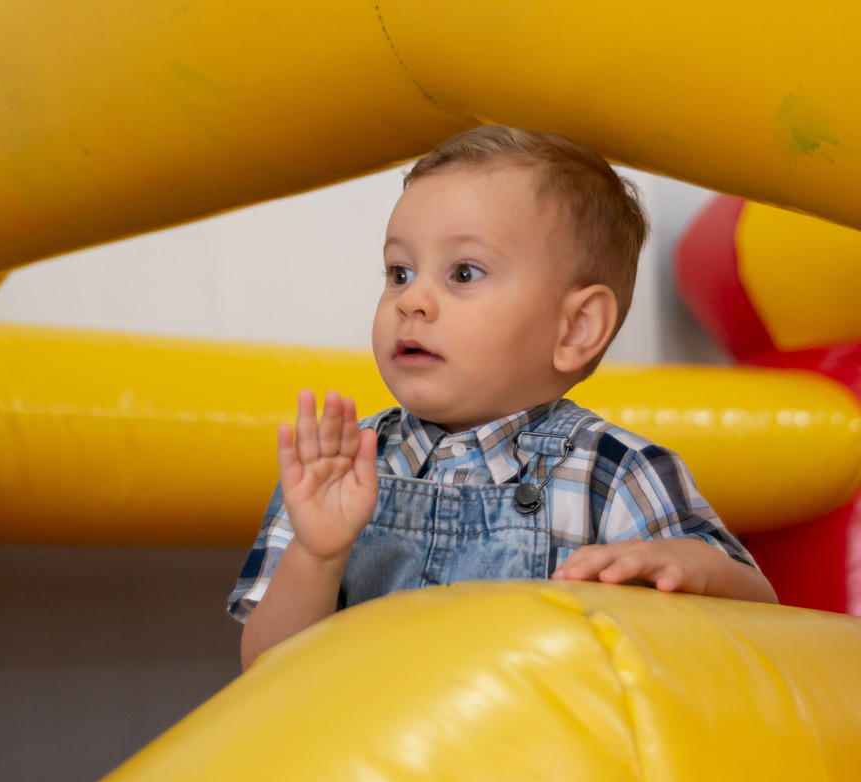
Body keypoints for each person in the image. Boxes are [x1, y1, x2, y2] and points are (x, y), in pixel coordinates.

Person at [228, 125, 778, 670]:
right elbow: (266, 672)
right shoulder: (338, 467)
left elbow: (763, 618)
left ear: (576, 329)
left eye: (463, 273)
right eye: (399, 272)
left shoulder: (614, 473)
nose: (412, 299)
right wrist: (315, 555)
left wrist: (691, 565)